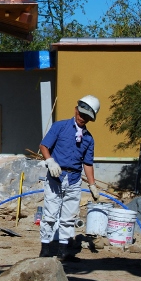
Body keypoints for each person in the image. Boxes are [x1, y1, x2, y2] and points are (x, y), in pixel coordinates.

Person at [38, 95, 101, 262]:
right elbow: (44, 146)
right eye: (81, 114)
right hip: (55, 176)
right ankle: (45, 249)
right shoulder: (60, 127)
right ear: (76, 110)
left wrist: (93, 185)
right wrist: (50, 161)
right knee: (50, 215)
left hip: (73, 179)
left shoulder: (88, 139)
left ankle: (63, 250)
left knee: (68, 217)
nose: (82, 118)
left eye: (87, 117)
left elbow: (87, 163)